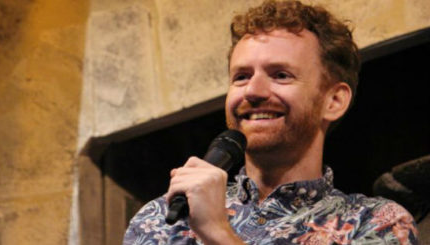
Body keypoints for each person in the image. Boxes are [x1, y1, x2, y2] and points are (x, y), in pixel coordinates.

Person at [123, 0, 419, 244]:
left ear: (334, 101)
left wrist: (218, 233)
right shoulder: (160, 221)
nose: (253, 91)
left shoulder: (377, 224)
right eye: (241, 77)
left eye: (280, 75)